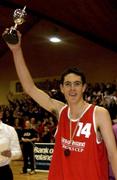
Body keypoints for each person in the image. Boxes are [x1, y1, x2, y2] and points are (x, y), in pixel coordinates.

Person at [3, 30, 117, 180]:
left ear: (84, 87)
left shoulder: (99, 113)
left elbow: (113, 154)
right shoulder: (60, 110)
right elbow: (30, 88)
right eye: (68, 84)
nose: (72, 89)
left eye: (77, 84)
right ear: (62, 88)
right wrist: (16, 50)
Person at [0, 109, 22, 180]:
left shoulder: (10, 130)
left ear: (1, 114)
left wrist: (10, 154)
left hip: (3, 171)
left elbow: (18, 153)